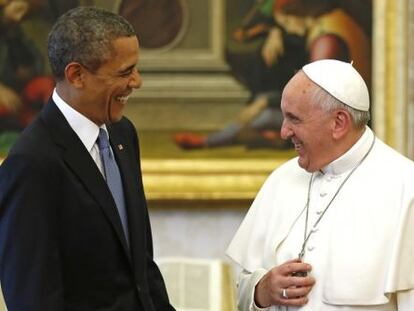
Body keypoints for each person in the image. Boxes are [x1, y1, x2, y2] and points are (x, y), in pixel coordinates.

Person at [0, 7, 175, 310]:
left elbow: (141, 267)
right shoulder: (32, 163)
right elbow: (33, 297)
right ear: (76, 75)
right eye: (124, 72)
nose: (137, 82)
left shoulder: (123, 135)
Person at [226, 59, 414, 310]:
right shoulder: (281, 180)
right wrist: (263, 289)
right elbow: (243, 291)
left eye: (294, 119)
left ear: (339, 123)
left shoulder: (406, 188)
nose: (283, 132)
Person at [174, 0, 369, 150]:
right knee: (262, 113)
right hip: (318, 115)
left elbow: (314, 98)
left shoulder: (325, 41)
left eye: (284, 21)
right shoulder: (314, 33)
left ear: (298, 14)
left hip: (329, 121)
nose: (284, 27)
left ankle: (209, 141)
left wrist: (266, 102)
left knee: (264, 116)